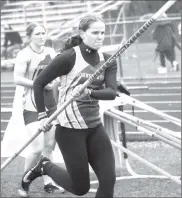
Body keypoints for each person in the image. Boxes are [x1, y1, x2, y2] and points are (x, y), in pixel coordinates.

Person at [20, 14, 117, 198]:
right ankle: (44, 166)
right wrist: (42, 116)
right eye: (95, 32)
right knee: (81, 189)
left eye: (103, 32)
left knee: (108, 180)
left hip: (95, 127)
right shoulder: (68, 57)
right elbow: (39, 83)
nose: (100, 36)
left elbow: (111, 92)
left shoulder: (108, 59)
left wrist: (89, 92)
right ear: (82, 33)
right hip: (70, 130)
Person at [13, 22, 64, 196]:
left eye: (44, 33)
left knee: (49, 145)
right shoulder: (24, 55)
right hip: (32, 104)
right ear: (29, 37)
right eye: (38, 34)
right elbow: (18, 79)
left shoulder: (50, 52)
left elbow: (58, 74)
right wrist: (40, 84)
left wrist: (54, 82)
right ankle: (25, 181)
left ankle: (48, 182)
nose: (42, 36)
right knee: (37, 147)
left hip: (50, 104)